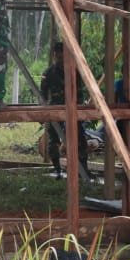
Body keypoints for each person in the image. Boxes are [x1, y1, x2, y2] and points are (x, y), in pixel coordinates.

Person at [40, 40, 89, 178]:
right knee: (53, 140)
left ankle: (82, 168)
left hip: (73, 109)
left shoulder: (75, 71)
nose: (60, 58)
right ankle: (57, 169)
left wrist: (80, 107)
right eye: (58, 56)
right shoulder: (49, 73)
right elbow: (42, 94)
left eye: (62, 56)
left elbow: (80, 91)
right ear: (55, 55)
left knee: (80, 139)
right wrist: (44, 112)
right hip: (55, 110)